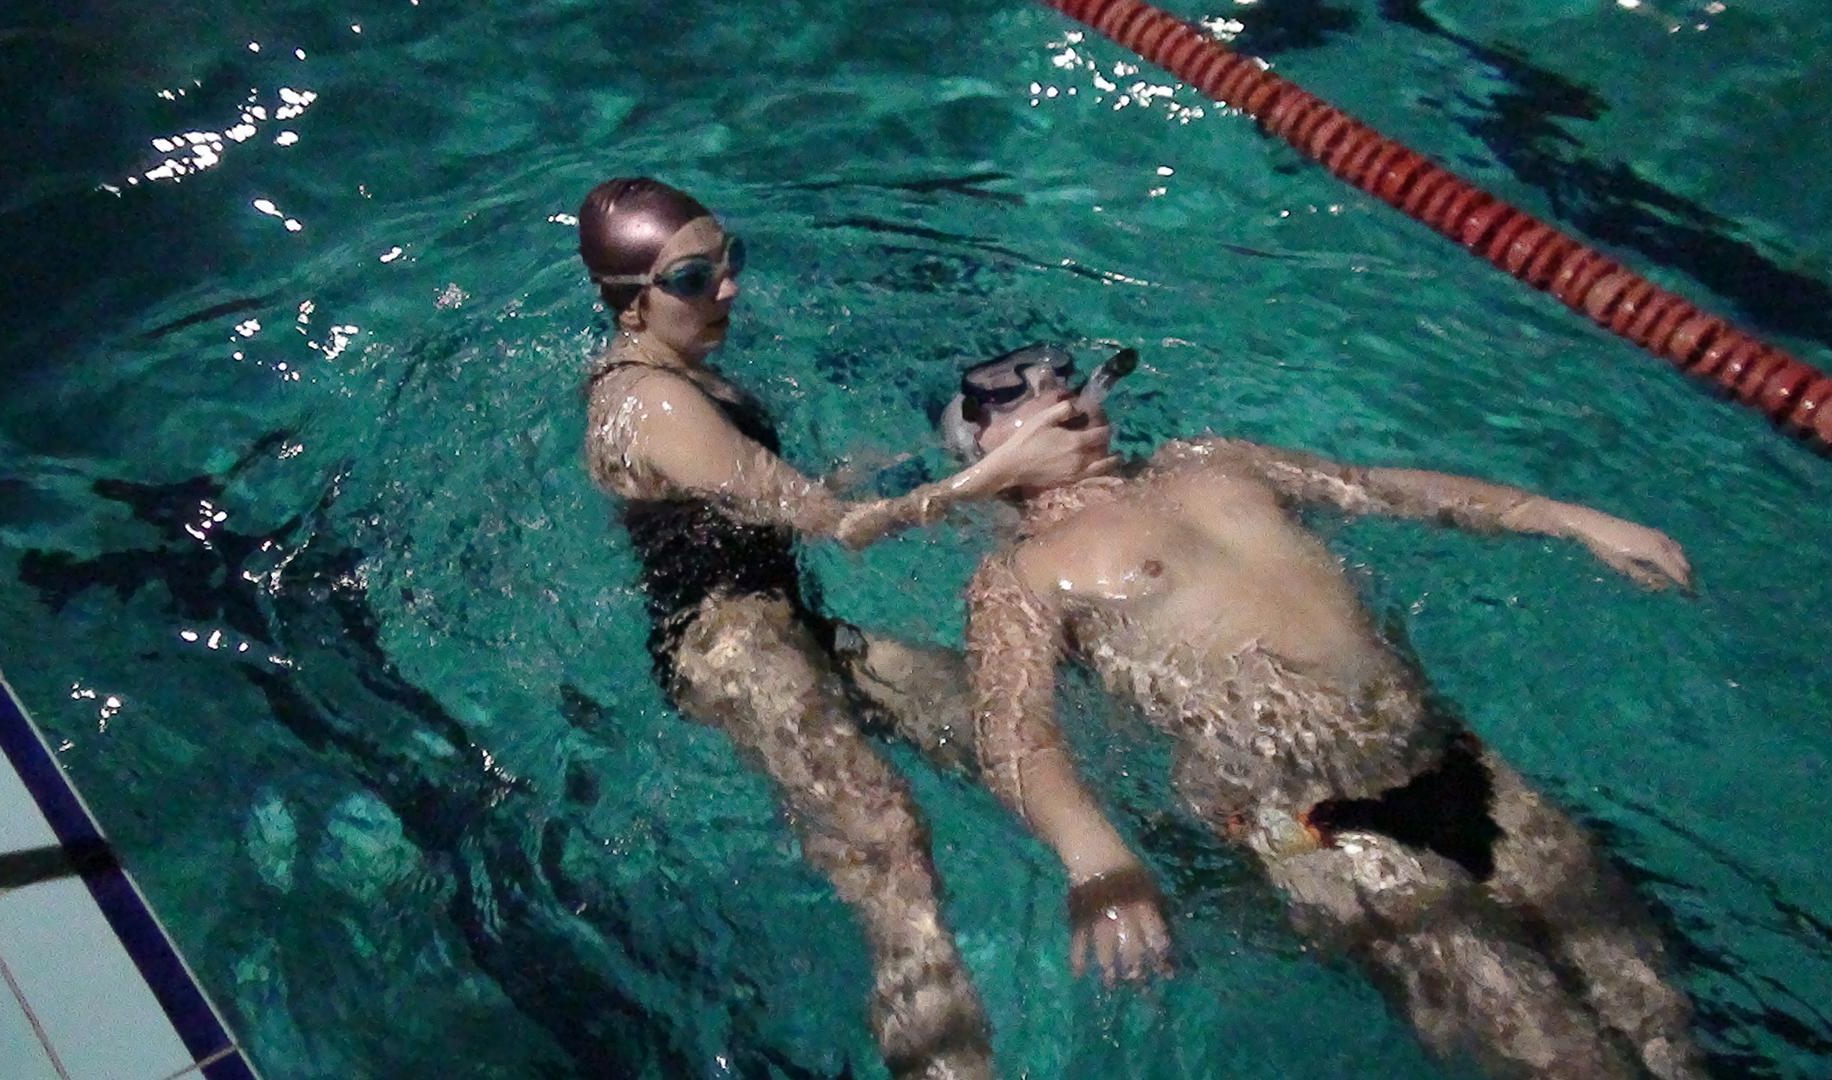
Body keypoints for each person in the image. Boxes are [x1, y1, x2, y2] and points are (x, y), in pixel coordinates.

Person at [948, 343, 1707, 1079]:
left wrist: (1560, 515)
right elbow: (1014, 735)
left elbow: (1377, 487)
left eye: (1051, 370)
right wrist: (1098, 860)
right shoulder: (1021, 574)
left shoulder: (1211, 460)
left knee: (1656, 1011)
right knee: (1554, 1052)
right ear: (983, 450)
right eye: (1008, 390)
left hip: (1452, 759)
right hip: (1321, 829)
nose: (1049, 382)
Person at [578, 180, 1112, 1080]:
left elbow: (767, 500)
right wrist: (996, 472)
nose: (729, 287)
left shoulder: (685, 376)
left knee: (999, 723)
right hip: (727, 647)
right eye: (694, 278)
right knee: (887, 846)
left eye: (730, 260)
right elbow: (841, 530)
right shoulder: (650, 401)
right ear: (631, 303)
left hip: (791, 628)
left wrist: (876, 471)